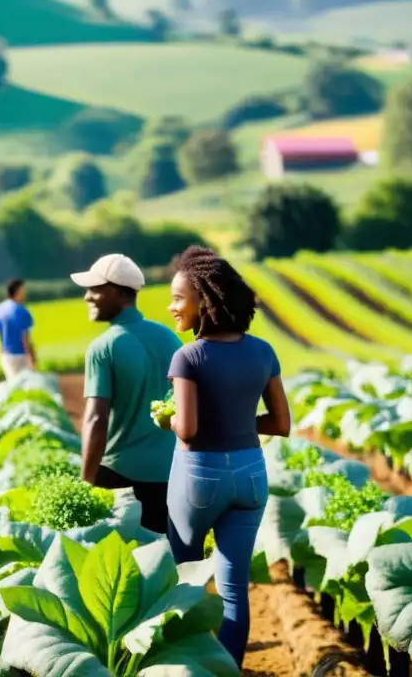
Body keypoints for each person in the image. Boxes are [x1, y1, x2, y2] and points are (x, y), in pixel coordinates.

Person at [164, 245, 291, 668]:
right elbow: (281, 423)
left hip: (200, 476)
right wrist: (238, 422)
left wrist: (169, 421)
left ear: (205, 300)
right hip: (252, 476)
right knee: (235, 587)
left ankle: (190, 667)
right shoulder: (263, 351)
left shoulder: (189, 357)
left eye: (179, 298)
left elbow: (189, 430)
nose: (172, 307)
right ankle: (230, 670)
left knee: (185, 580)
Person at [70, 253, 182, 535]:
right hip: (171, 473)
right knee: (167, 563)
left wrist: (86, 482)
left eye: (95, 289)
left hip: (121, 477)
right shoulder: (169, 338)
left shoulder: (103, 347)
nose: (87, 297)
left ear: (118, 293)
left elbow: (96, 419)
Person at [0, 278, 36, 381]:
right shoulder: (21, 311)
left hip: (6, 355)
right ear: (18, 291)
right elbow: (25, 337)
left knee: (12, 384)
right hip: (20, 356)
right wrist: (32, 356)